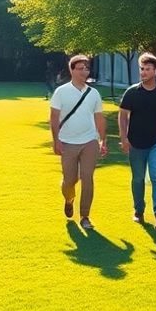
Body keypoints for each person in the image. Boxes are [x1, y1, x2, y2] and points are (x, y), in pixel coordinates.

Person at [49, 54, 107, 231]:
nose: (84, 72)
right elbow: (54, 118)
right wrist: (56, 140)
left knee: (88, 178)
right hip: (67, 142)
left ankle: (85, 216)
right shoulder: (61, 92)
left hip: (89, 140)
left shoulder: (94, 93)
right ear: (72, 70)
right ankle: (69, 199)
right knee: (69, 181)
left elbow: (99, 118)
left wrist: (102, 140)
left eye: (86, 68)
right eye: (80, 68)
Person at [119, 52, 156, 229]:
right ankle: (139, 210)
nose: (143, 72)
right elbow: (122, 115)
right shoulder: (132, 92)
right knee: (138, 179)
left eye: (147, 69)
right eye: (141, 69)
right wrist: (124, 138)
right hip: (135, 143)